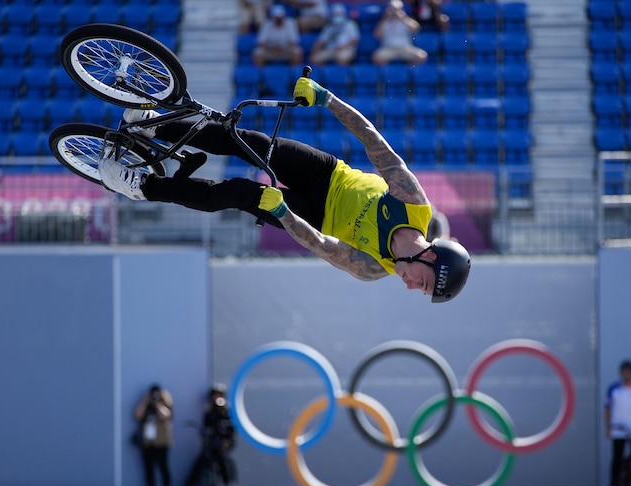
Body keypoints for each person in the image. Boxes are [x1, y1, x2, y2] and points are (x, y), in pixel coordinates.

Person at [99, 74, 471, 303]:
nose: (409, 287)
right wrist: (327, 99)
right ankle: (153, 125)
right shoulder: (413, 204)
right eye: (421, 284)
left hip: (309, 217)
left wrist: (282, 213)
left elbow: (321, 245)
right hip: (328, 175)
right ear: (430, 258)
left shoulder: (375, 268)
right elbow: (372, 141)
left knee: (237, 193)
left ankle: (142, 186)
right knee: (246, 141)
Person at [184, 384, 237, 486]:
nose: (217, 398)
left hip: (224, 441)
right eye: (215, 395)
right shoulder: (209, 410)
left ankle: (226, 483)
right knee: (202, 460)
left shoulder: (227, 410)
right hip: (212, 441)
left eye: (219, 395)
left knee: (219, 457)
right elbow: (206, 425)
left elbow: (231, 427)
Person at [133, 383, 174, 486]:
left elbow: (166, 415)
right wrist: (145, 402)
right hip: (148, 442)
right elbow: (137, 415)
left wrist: (158, 404)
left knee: (163, 467)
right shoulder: (146, 406)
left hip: (162, 442)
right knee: (149, 468)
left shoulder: (165, 404)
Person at [372, 0, 428, 66]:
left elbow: (416, 29)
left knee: (421, 56)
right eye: (392, 9)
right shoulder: (384, 22)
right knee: (376, 57)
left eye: (397, 9)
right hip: (389, 48)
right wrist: (385, 18)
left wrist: (404, 18)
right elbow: (377, 35)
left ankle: (409, 72)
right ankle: (388, 73)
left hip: (405, 48)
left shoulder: (406, 20)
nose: (394, 12)